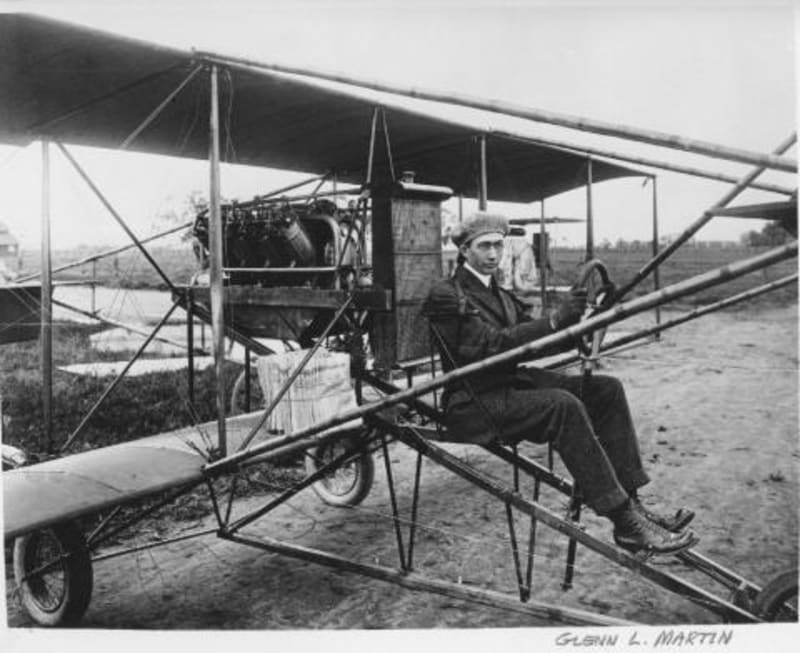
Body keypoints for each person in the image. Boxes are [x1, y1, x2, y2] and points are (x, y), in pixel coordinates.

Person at [423, 211, 697, 555]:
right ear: (464, 250)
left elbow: (538, 342)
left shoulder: (502, 295)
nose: (494, 253)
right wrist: (554, 321)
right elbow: (490, 346)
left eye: (498, 245)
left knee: (605, 389)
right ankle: (624, 522)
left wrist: (579, 325)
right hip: (473, 402)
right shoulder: (448, 294)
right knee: (561, 405)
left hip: (509, 386)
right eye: (484, 246)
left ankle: (633, 504)